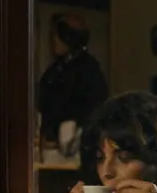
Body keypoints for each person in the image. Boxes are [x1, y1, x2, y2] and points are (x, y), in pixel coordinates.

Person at [37, 13, 109, 152]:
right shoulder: (55, 69)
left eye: (58, 36)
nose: (54, 41)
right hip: (50, 144)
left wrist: (75, 125)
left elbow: (95, 105)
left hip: (75, 146)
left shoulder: (89, 68)